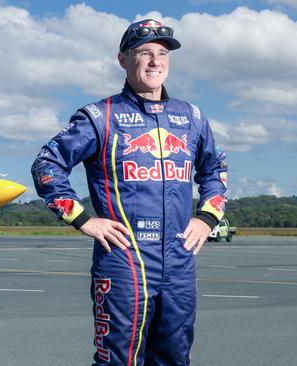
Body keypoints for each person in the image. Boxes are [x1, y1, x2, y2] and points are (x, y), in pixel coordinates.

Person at [31, 18, 227, 365]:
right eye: (144, 52)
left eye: (162, 53)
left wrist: (207, 218)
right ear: (123, 59)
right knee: (117, 360)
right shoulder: (99, 116)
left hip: (179, 261)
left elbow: (214, 169)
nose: (155, 61)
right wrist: (83, 220)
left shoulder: (192, 117)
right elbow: (48, 164)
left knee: (175, 357)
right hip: (124, 262)